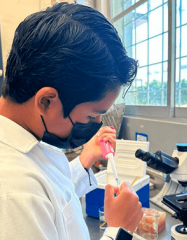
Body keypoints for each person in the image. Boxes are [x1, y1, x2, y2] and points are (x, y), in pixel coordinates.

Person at [0, 3, 143, 239]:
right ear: (46, 101)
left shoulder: (27, 135)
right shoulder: (15, 192)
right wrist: (119, 229)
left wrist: (84, 161)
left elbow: (55, 199)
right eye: (91, 115)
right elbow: (37, 195)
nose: (97, 122)